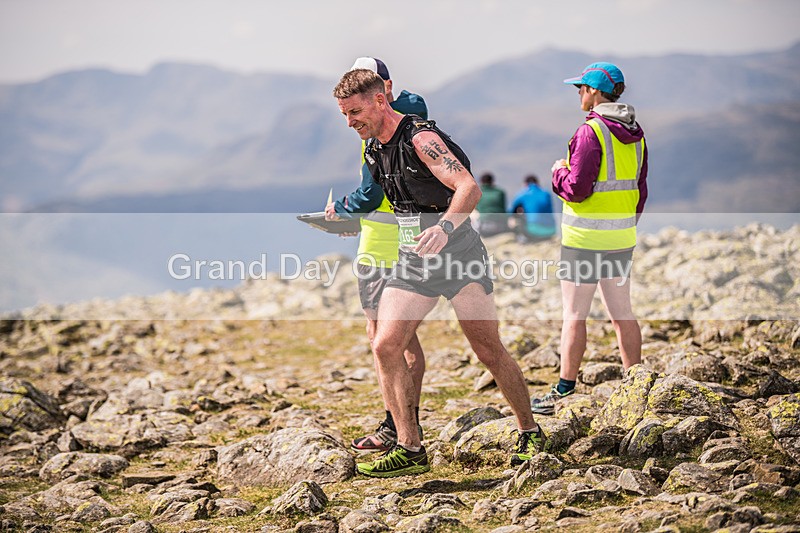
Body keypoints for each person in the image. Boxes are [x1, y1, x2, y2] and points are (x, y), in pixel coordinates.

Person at [331, 69, 546, 478]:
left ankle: (529, 430)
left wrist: (444, 227)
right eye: (343, 114)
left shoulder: (421, 139)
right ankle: (410, 447)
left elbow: (469, 189)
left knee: (488, 350)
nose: (350, 122)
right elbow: (392, 206)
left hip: (459, 255)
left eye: (355, 111)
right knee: (385, 344)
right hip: (415, 260)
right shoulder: (374, 151)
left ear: (380, 101)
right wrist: (344, 223)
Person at [531, 62, 648, 415]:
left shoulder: (590, 133)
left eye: (580, 88)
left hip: (584, 238)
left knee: (574, 314)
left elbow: (577, 189)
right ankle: (637, 384)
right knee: (622, 312)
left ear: (595, 92)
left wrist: (557, 173)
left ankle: (565, 389)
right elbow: (640, 190)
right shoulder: (637, 133)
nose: (578, 94)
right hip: (621, 235)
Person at [326, 57, 427, 454]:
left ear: (381, 92)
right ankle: (402, 424)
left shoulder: (387, 134)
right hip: (391, 238)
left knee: (390, 341)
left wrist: (342, 210)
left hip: (385, 244)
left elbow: (371, 193)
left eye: (356, 108)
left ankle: (399, 427)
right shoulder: (414, 120)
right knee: (395, 340)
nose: (353, 119)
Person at [508, 174, 556, 243]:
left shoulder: (523, 194)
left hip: (532, 231)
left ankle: (522, 239)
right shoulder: (546, 193)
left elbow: (512, 211)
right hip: (551, 230)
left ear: (525, 184)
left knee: (517, 215)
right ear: (538, 183)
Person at [473, 172, 509, 236]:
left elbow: (476, 208)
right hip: (501, 225)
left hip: (483, 225)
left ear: (481, 181)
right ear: (492, 181)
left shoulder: (478, 192)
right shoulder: (500, 192)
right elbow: (503, 208)